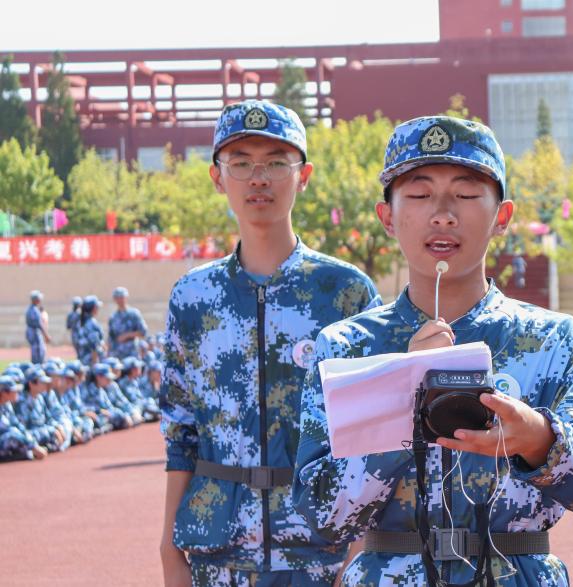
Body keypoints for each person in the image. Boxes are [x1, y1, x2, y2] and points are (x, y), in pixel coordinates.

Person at [291, 116, 573, 586]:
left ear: (501, 217)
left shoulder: (554, 340)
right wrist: (402, 393)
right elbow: (320, 514)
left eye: (467, 195)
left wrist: (537, 438)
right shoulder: (346, 347)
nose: (443, 214)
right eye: (419, 194)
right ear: (387, 217)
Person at [159, 99, 381, 587]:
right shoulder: (193, 297)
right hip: (218, 556)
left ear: (304, 176)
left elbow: (374, 434)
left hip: (320, 555)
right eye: (241, 163)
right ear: (217, 177)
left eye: (277, 163)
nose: (258, 178)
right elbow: (180, 432)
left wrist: (361, 551)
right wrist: (168, 547)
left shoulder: (345, 293)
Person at [0, 375, 47, 461]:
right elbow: (8, 429)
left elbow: (16, 424)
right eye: (13, 391)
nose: (17, 393)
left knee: (28, 434)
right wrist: (33, 446)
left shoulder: (7, 404)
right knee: (11, 437)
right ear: (4, 393)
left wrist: (31, 440)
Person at [108, 287, 148, 359]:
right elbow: (110, 338)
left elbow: (143, 332)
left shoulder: (134, 314)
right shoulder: (113, 317)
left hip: (132, 354)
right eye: (117, 298)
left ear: (126, 298)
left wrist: (127, 335)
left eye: (122, 297)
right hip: (116, 354)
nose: (120, 300)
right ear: (114, 299)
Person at [75, 296, 106, 365]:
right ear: (94, 308)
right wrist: (95, 364)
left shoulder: (81, 321)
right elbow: (94, 345)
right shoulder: (91, 323)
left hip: (83, 359)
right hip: (92, 361)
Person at [25, 290, 50, 364]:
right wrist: (46, 335)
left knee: (36, 351)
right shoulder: (34, 310)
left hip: (31, 332)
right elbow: (39, 324)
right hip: (34, 333)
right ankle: (38, 367)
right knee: (39, 352)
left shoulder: (30, 309)